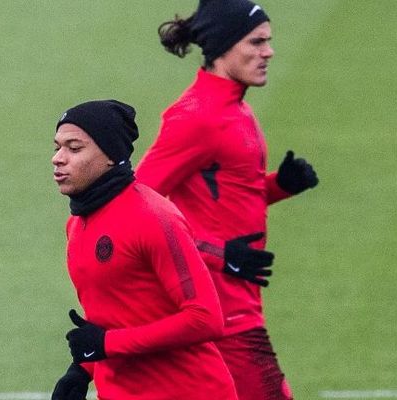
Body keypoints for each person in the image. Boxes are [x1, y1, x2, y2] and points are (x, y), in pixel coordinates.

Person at [135, 1, 319, 399]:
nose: (268, 52)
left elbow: (224, 200)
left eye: (268, 42)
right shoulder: (197, 117)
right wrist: (221, 255)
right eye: (256, 42)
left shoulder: (236, 108)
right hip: (219, 311)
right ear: (223, 46)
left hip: (237, 302)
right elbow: (134, 206)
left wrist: (279, 186)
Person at [50, 99, 238, 400]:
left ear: (111, 156)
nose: (58, 158)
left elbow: (205, 318)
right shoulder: (76, 226)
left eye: (74, 148)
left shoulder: (154, 217)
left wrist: (107, 345)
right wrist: (83, 368)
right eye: (57, 147)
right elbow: (116, 311)